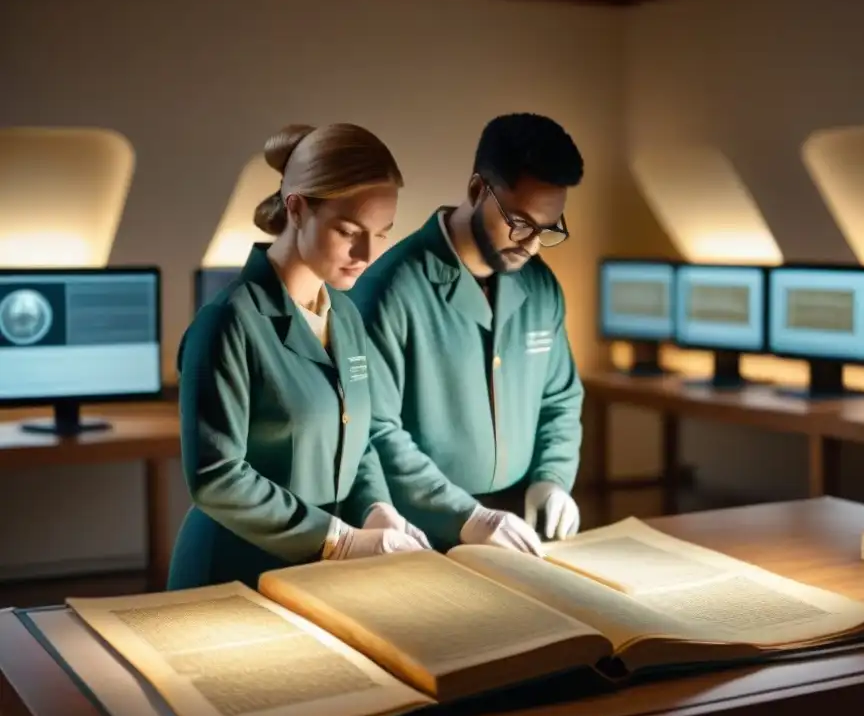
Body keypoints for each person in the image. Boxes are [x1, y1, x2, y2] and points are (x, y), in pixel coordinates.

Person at [168, 123, 429, 591]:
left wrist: (375, 509)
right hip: (232, 573)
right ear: (297, 208)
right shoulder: (227, 322)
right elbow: (216, 477)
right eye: (349, 231)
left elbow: (356, 435)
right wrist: (336, 540)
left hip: (317, 576)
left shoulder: (345, 316)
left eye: (382, 234)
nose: (367, 253)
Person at [348, 113, 585, 555]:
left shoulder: (541, 287)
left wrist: (552, 480)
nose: (531, 243)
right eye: (520, 221)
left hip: (521, 529)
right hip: (418, 533)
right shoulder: (390, 290)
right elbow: (374, 428)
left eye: (548, 228)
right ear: (478, 190)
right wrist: (465, 516)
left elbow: (560, 400)